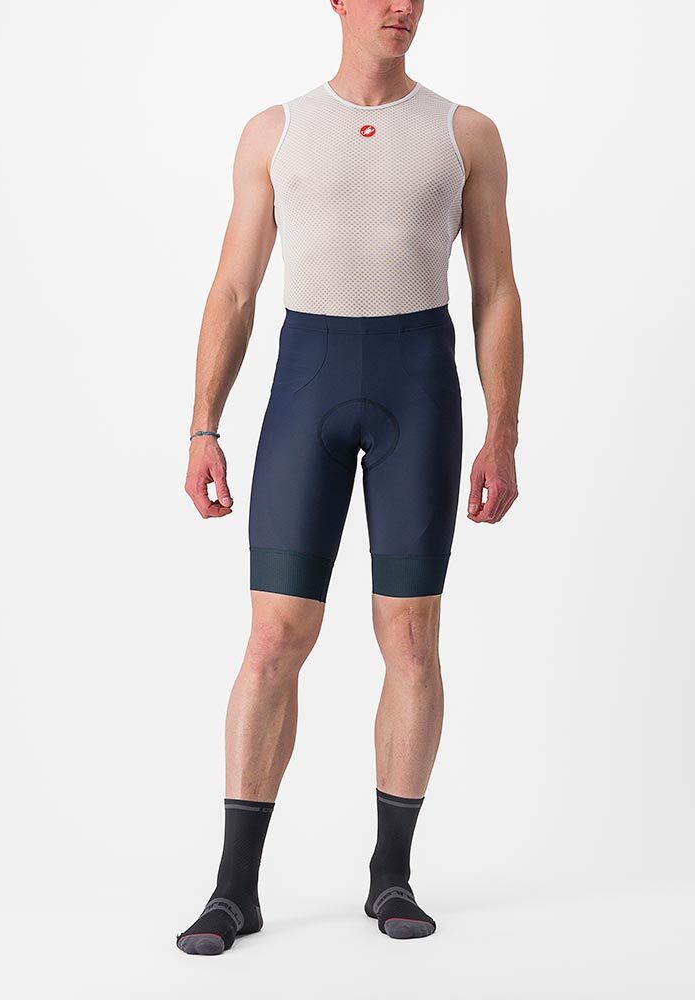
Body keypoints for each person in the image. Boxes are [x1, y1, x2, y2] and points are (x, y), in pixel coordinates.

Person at [177, 0, 522, 955]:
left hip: (420, 394)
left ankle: (391, 875)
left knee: (410, 639)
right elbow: (235, 287)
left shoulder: (465, 133)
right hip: (307, 393)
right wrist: (203, 425)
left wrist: (503, 432)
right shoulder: (277, 130)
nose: (401, 6)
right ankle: (234, 890)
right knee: (272, 639)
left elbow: (496, 287)